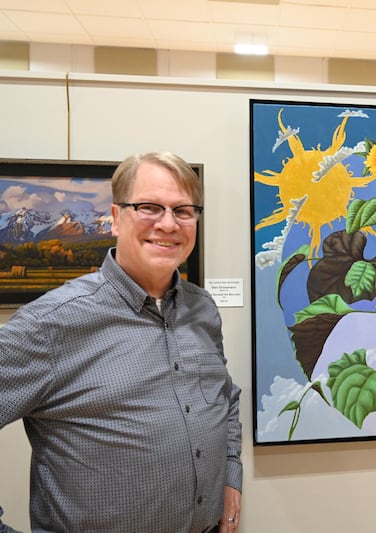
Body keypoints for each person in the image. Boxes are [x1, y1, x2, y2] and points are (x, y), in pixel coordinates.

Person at [0, 152, 242, 533]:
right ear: (115, 218)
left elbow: (224, 397)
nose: (168, 223)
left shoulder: (203, 308)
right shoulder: (51, 324)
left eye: (183, 210)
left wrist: (230, 472)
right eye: (149, 207)